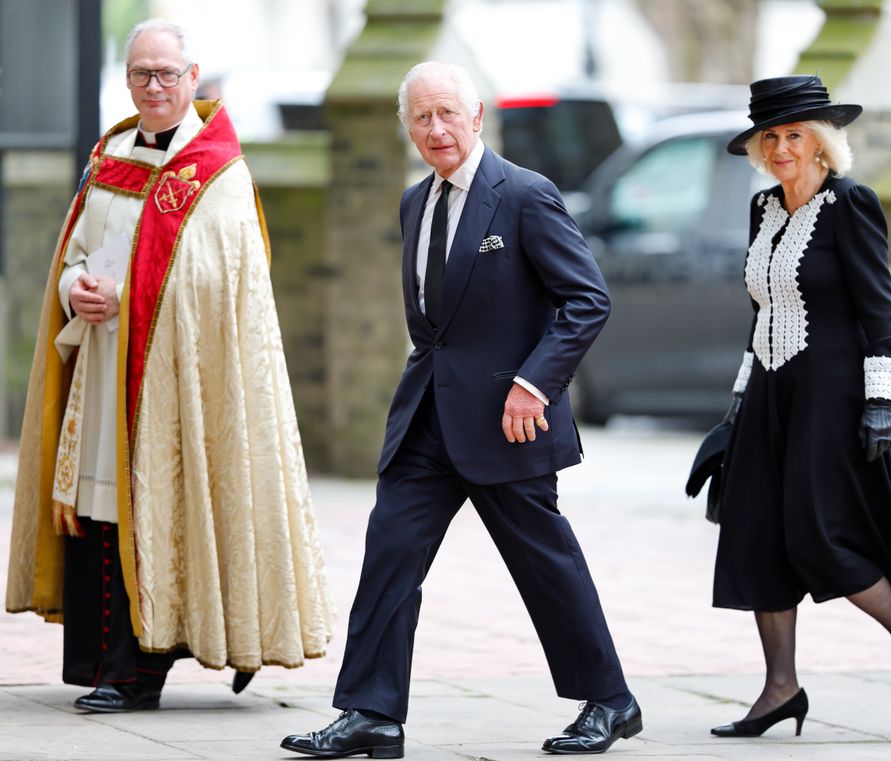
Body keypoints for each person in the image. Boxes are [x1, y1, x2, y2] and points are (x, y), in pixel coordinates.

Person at [280, 61, 640, 759]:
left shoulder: (526, 196)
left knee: (545, 564)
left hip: (511, 423)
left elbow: (587, 299)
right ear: (408, 127)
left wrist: (534, 384)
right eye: (421, 117)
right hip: (428, 422)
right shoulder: (416, 202)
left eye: (448, 113)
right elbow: (433, 325)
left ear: (477, 117)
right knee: (389, 554)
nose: (436, 129)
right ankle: (371, 711)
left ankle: (610, 699)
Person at [5, 19, 332, 712]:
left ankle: (135, 674)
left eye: (165, 74)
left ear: (193, 78)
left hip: (178, 383)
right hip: (102, 372)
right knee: (99, 513)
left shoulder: (218, 173)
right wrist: (76, 292)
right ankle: (106, 661)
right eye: (139, 75)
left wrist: (132, 297)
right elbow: (73, 257)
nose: (152, 87)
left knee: (165, 512)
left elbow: (228, 285)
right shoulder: (112, 155)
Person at [708, 75, 891, 738]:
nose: (783, 147)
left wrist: (880, 401)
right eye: (772, 136)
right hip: (768, 391)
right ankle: (780, 688)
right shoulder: (763, 209)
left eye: (795, 134)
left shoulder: (851, 204)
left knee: (822, 532)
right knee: (757, 529)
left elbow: (881, 311)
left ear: (821, 142)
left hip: (833, 395)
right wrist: (737, 401)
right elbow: (760, 313)